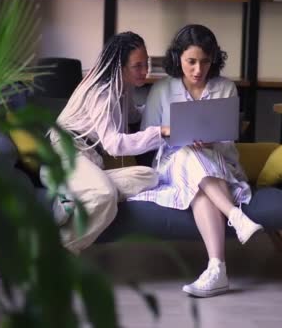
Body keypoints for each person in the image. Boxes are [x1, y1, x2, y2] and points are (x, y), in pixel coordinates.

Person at [132, 24, 263, 297]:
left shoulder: (225, 88)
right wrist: (175, 137)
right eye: (191, 61)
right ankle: (235, 216)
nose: (197, 70)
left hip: (217, 167)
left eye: (205, 62)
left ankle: (217, 270)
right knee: (188, 152)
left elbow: (228, 143)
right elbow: (148, 137)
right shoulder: (162, 90)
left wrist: (212, 141)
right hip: (172, 165)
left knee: (200, 186)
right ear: (178, 58)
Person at [44, 32, 170, 253]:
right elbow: (113, 144)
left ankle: (72, 191)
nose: (145, 71)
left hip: (89, 159)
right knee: (105, 196)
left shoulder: (124, 87)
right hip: (66, 151)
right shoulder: (101, 92)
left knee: (149, 177)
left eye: (146, 63)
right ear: (119, 66)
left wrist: (165, 111)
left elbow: (132, 116)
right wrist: (160, 132)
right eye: (137, 66)